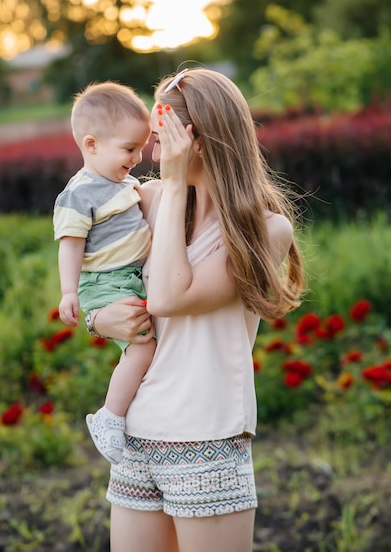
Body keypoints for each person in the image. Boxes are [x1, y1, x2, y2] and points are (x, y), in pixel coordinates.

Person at [87, 67, 305, 552]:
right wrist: (96, 317)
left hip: (207, 438)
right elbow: (92, 274)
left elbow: (168, 296)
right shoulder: (143, 200)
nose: (151, 154)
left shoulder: (264, 232)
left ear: (197, 139)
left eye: (161, 137)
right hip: (136, 437)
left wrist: (174, 183)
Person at [53, 81, 156, 465]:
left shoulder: (124, 182)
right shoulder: (79, 194)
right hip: (105, 281)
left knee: (149, 345)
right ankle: (109, 417)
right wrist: (68, 292)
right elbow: (71, 244)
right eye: (130, 149)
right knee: (142, 348)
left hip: (128, 274)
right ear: (92, 145)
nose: (139, 157)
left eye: (142, 147)